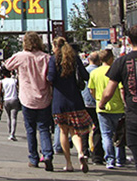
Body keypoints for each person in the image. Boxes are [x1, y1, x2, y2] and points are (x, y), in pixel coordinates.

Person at [99, 24, 137, 181]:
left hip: (136, 119)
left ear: (128, 41)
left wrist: (101, 104)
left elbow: (108, 91)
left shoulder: (122, 62)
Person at [4, 31, 54, 171]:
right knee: (44, 129)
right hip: (44, 98)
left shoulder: (21, 56)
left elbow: (7, 65)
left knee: (30, 130)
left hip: (27, 99)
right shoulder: (46, 58)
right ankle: (48, 154)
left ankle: (33, 158)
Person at [47, 37, 92, 173]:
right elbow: (85, 76)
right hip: (75, 100)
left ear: (55, 46)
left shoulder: (53, 60)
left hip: (59, 100)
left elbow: (50, 78)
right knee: (75, 131)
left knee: (63, 131)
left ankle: (69, 163)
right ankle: (80, 153)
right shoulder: (75, 59)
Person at [89, 48, 126, 169]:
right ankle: (120, 159)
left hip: (101, 107)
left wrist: (97, 99)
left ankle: (110, 159)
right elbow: (121, 90)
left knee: (106, 135)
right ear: (110, 58)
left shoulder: (95, 73)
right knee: (119, 135)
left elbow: (91, 90)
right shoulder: (116, 71)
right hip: (117, 107)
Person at [82, 51, 105, 164]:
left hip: (85, 102)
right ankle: (97, 155)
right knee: (97, 128)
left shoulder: (84, 71)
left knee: (84, 128)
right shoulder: (100, 71)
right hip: (97, 102)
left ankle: (84, 151)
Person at [0, 68, 20, 141]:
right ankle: (12, 134)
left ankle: (9, 132)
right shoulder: (14, 80)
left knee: (8, 117)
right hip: (14, 99)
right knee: (14, 117)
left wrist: (0, 102)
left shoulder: (2, 81)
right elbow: (18, 88)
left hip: (6, 99)